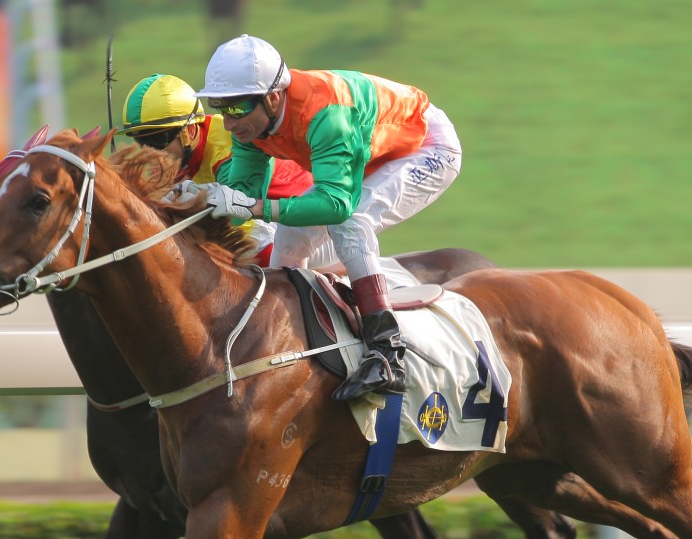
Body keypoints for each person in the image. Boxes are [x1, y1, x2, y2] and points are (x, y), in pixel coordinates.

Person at [188, 34, 463, 401]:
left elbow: (335, 205)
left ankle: (387, 352)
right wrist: (201, 202)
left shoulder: (326, 113)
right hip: (368, 152)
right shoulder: (248, 126)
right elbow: (243, 199)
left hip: (426, 147)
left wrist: (254, 208)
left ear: (273, 97)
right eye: (220, 108)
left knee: (352, 220)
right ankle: (290, 337)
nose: (228, 121)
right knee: (287, 237)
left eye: (236, 108)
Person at [119, 72, 313, 268]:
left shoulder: (225, 147)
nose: (150, 152)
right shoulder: (168, 160)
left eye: (157, 140)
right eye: (141, 141)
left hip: (307, 218)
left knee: (243, 236)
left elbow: (239, 221)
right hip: (274, 221)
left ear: (190, 131)